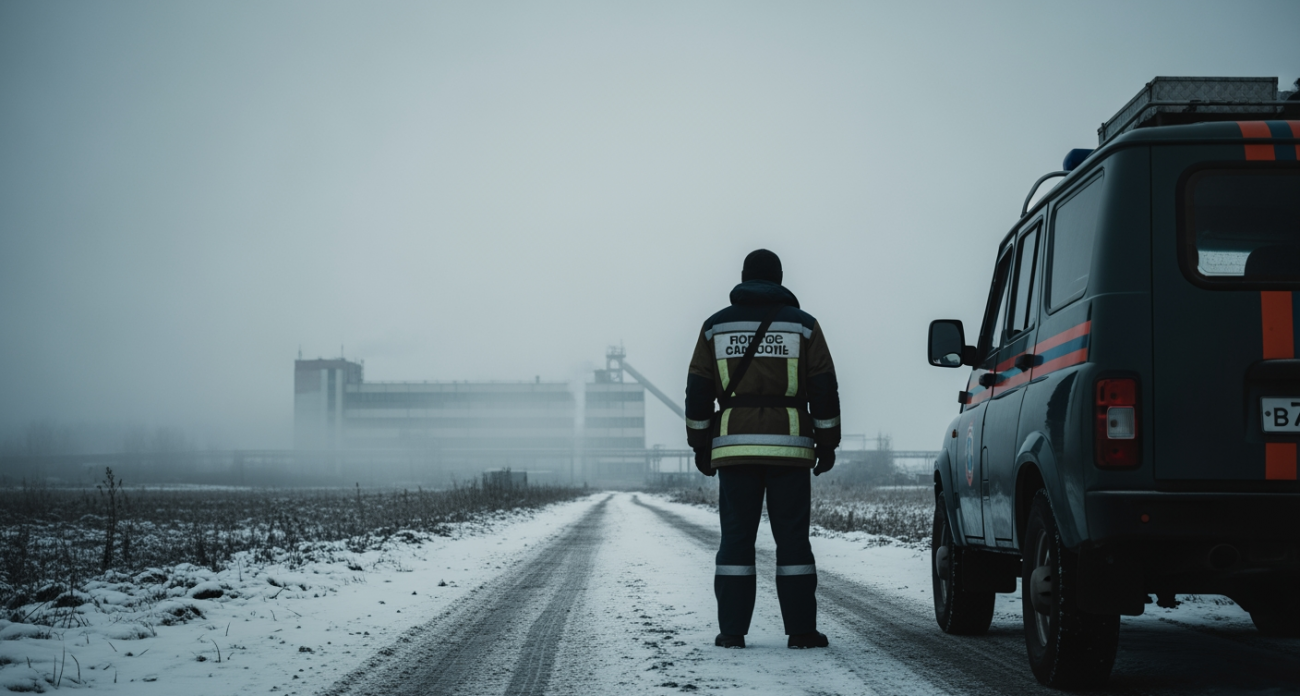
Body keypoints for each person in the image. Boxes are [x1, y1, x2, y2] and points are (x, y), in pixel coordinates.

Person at [684, 249, 841, 650]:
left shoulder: (714, 328)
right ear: (780, 279)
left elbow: (698, 390)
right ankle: (802, 631)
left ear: (744, 278)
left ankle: (732, 632)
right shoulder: (804, 327)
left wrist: (700, 443)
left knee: (736, 540)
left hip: (734, 450)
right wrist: (827, 442)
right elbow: (823, 386)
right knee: (793, 542)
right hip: (789, 450)